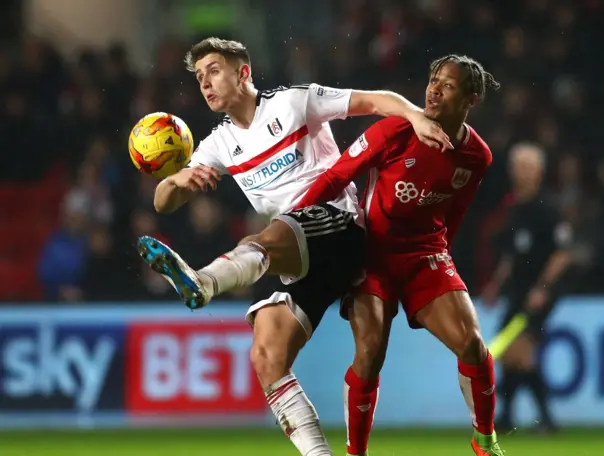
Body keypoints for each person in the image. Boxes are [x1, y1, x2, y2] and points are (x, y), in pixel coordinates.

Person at [136, 37, 451, 456]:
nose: (205, 83)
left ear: (243, 72)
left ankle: (205, 282)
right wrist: (178, 182)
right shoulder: (217, 145)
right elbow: (162, 202)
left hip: (341, 229)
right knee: (266, 353)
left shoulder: (293, 104)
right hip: (299, 256)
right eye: (198, 78)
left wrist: (415, 116)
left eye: (213, 70)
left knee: (266, 235)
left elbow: (375, 101)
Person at [295, 55, 503, 456]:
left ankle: (485, 441)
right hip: (372, 254)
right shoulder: (393, 131)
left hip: (426, 254)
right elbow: (337, 176)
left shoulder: (478, 156)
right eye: (433, 80)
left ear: (470, 100)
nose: (434, 89)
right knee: (370, 354)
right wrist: (290, 223)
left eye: (448, 85)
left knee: (473, 346)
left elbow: (454, 213)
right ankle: (356, 452)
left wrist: (444, 265)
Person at [482, 142, 574, 433]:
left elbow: (563, 253)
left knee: (519, 352)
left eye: (528, 166)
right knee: (511, 356)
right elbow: (512, 254)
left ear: (539, 172)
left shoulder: (548, 207)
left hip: (540, 293)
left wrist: (543, 288)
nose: (522, 172)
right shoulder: (515, 208)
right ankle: (515, 418)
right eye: (518, 166)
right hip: (519, 291)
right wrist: (496, 283)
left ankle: (543, 419)